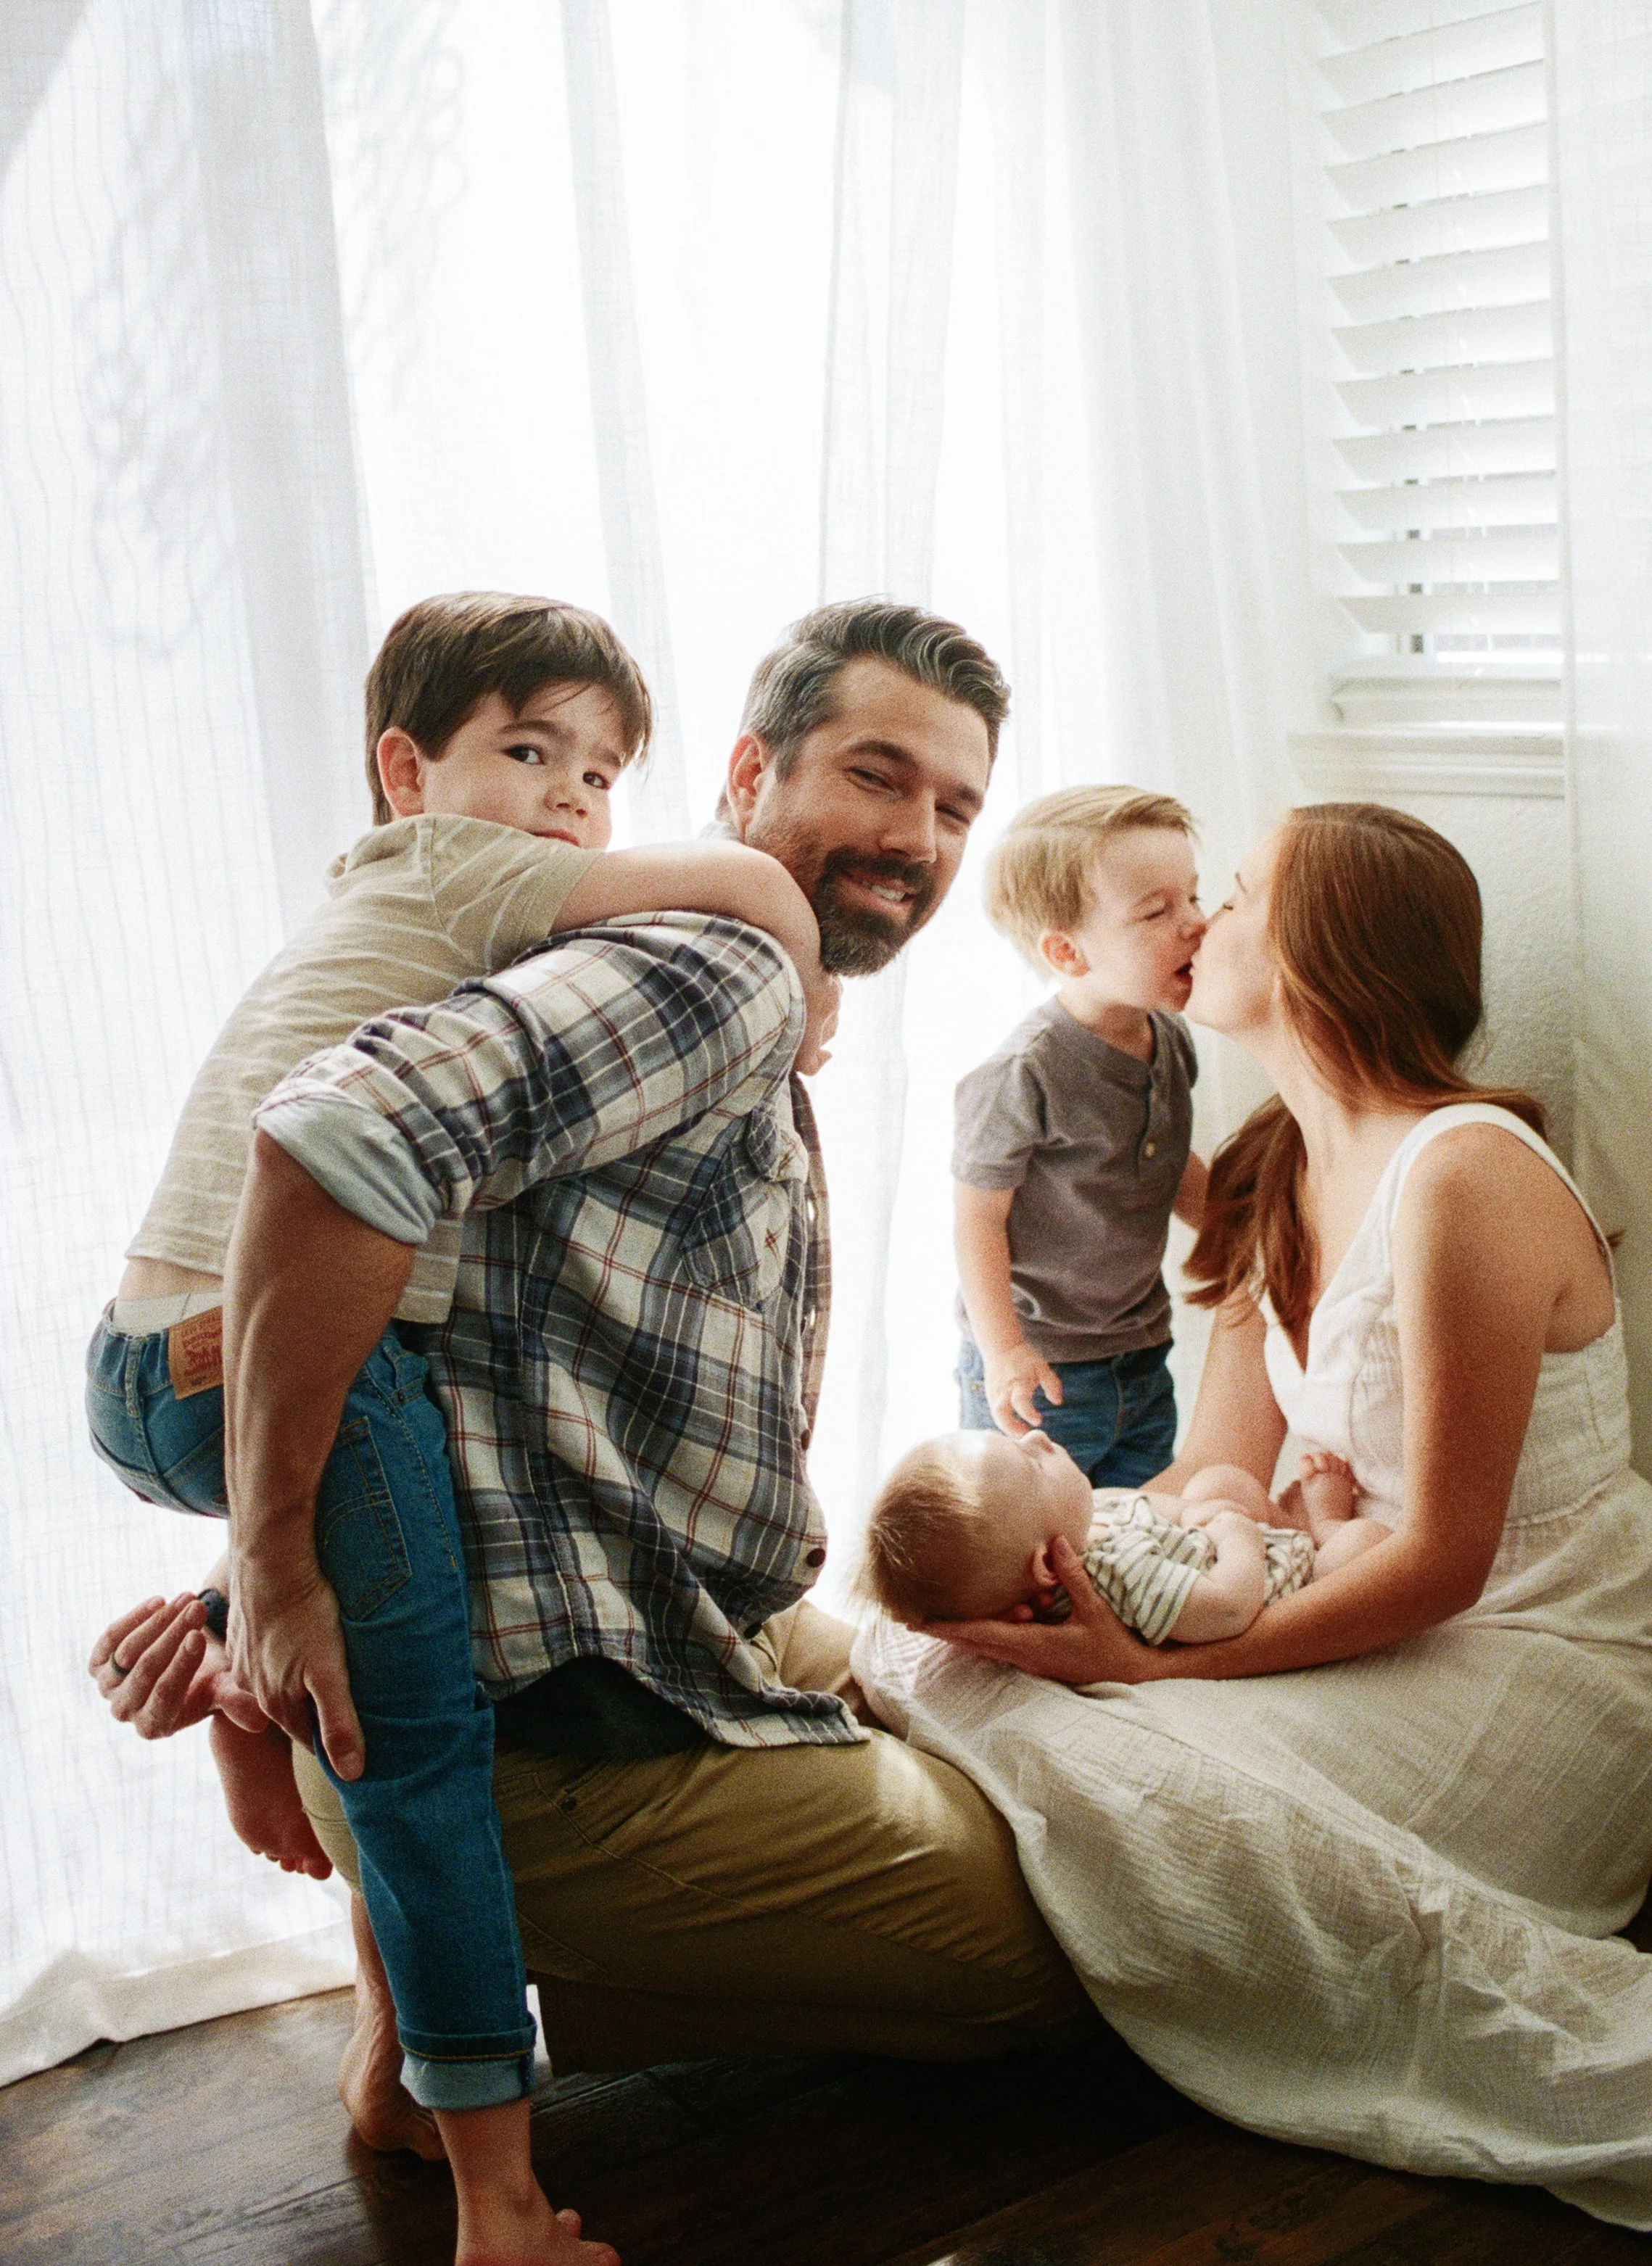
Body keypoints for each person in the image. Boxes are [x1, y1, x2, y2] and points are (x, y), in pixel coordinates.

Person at [90, 601, 1102, 2222]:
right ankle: (509, 1992)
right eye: (874, 775)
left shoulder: (592, 938)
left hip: (632, 1623)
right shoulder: (718, 967)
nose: (916, 838)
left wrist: (241, 1587)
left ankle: (414, 2011)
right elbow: (331, 1145)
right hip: (524, 1733)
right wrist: (268, 1566)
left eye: (953, 806)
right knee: (1081, 1949)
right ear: (749, 773)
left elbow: (438, 1314)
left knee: (987, 1707)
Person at [858, 802, 1652, 2230]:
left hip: (1539, 1650)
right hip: (1344, 1593)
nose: (1198, 922)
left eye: (1230, 894)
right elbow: (1212, 1470)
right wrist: (1067, 1559)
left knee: (1116, 1738)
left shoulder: (1461, 1171)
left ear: (1320, 953)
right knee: (938, 1653)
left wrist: (1147, 1662)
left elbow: (1443, 1560)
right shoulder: (1268, 1163)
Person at [952, 787, 1208, 1484]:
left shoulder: (1170, 1036)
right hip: (1042, 1367)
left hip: (1141, 1350)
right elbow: (978, 1220)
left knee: (1135, 1522)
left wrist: (1239, 1228)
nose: (1195, 922)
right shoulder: (1024, 1071)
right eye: (1157, 911)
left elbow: (1166, 1158)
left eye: (1193, 895)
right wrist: (1004, 1351)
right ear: (1068, 952)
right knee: (1021, 1526)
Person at [859, 1427, 1384, 1642]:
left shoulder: (1083, 1524)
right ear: (1047, 1565)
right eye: (1031, 1462)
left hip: (1217, 1542)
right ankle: (1324, 1533)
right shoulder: (1122, 1576)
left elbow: (1154, 1511)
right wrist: (1237, 1532)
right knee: (1367, 1548)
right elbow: (1229, 1608)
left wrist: (1199, 1510)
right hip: (1274, 1585)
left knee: (1216, 1481)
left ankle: (1292, 1525)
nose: (1037, 1436)